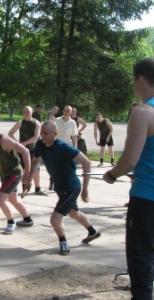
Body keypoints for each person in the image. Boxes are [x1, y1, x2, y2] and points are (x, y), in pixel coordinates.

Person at [103, 58, 154, 300]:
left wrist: (111, 175)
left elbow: (129, 160)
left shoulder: (144, 112)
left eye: (134, 81)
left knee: (141, 260)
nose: (133, 86)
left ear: (141, 80)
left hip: (146, 199)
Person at [28, 120, 101, 255]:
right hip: (60, 187)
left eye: (46, 133)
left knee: (55, 219)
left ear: (55, 134)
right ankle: (93, 232)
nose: (42, 135)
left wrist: (85, 189)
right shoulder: (40, 145)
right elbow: (35, 162)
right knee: (73, 213)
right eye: (41, 132)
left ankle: (63, 243)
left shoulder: (63, 147)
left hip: (71, 186)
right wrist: (29, 180)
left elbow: (87, 162)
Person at [8, 106, 47, 196]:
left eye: (28, 111)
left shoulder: (36, 123)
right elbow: (10, 133)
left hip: (33, 148)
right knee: (25, 169)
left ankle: (38, 188)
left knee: (36, 170)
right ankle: (24, 188)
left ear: (32, 112)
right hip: (22, 149)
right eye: (24, 111)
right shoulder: (20, 122)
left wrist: (25, 143)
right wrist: (17, 143)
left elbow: (36, 137)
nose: (26, 113)